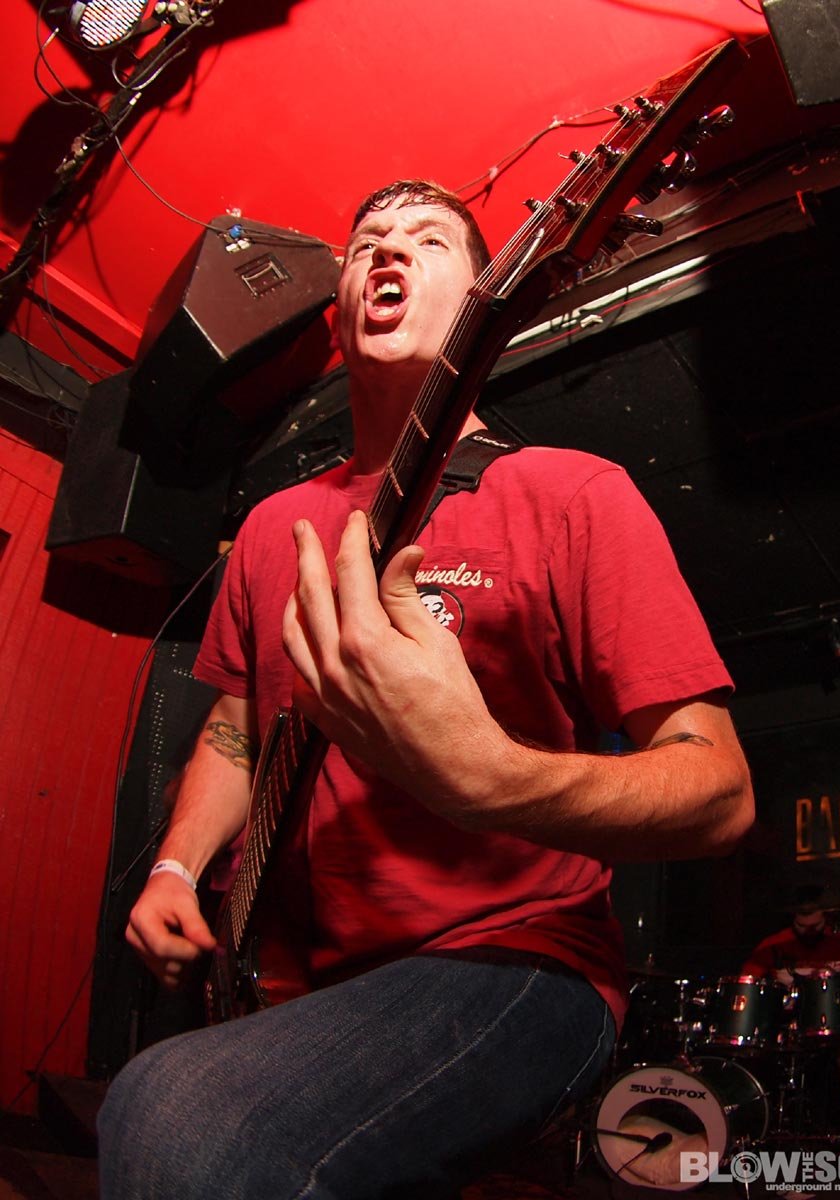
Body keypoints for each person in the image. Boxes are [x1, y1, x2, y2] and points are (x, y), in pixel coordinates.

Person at [97, 179, 754, 1200]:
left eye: (428, 239)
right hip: (293, 976)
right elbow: (235, 731)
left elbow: (719, 789)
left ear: (483, 301)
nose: (388, 253)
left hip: (516, 960)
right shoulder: (272, 528)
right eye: (368, 242)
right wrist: (178, 870)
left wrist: (494, 778)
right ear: (340, 310)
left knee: (170, 1111)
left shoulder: (569, 494)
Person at [742, 885, 840, 1125]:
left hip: (829, 1022)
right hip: (783, 1022)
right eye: (802, 926)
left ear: (826, 916)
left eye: (815, 926)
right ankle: (754, 1122)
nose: (809, 932)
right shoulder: (774, 944)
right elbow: (747, 983)